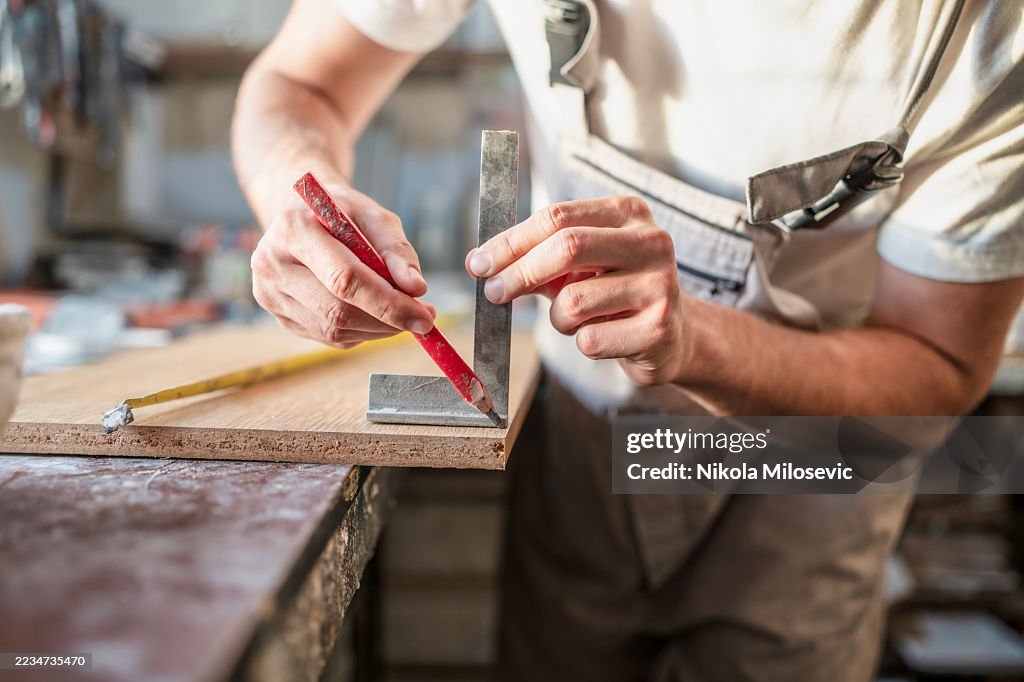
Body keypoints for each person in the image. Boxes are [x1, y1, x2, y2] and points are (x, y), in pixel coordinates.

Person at [232, 1, 1024, 679]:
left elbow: (944, 362)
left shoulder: (985, 34)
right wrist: (298, 196)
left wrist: (697, 342)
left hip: (812, 456)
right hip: (581, 438)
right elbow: (297, 85)